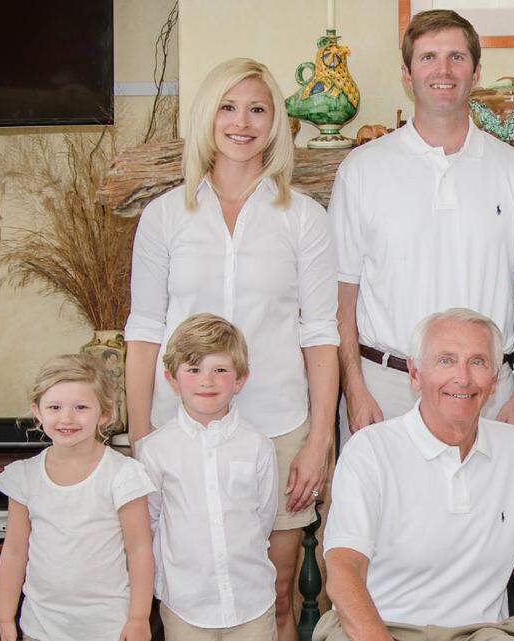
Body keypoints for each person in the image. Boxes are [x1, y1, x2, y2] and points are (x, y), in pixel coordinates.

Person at [124, 57, 339, 640]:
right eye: (227, 106)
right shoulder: (165, 216)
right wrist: (141, 436)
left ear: (276, 123)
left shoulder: (304, 219)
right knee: (186, 592)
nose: (241, 122)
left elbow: (321, 334)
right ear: (208, 117)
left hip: (277, 427)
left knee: (277, 593)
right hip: (178, 433)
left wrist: (319, 440)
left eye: (257, 109)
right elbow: (144, 332)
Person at [330, 9, 514, 447]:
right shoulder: (363, 170)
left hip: (489, 394)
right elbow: (343, 295)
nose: (443, 70)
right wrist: (354, 387)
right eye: (428, 58)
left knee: (489, 517)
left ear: (477, 72)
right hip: (387, 389)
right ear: (407, 74)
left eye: (457, 57)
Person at [316, 308, 514, 641]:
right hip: (381, 626)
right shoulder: (371, 450)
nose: (462, 378)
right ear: (415, 373)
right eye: (446, 361)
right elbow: (343, 571)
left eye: (477, 362)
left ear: (494, 380)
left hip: (481, 632)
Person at [137, 313, 279, 640]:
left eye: (220, 370)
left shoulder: (257, 446)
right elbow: (153, 521)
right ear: (172, 379)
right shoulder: (155, 450)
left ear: (240, 379)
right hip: (186, 606)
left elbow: (263, 518)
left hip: (251, 603)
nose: (207, 381)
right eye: (193, 369)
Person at [0, 354, 155, 641]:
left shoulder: (123, 475)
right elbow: (15, 552)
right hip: (41, 627)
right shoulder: (24, 477)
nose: (67, 418)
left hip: (108, 627)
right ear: (38, 412)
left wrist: (139, 618)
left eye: (81, 407)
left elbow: (140, 549)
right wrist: (5, 617)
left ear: (105, 414)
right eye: (54, 407)